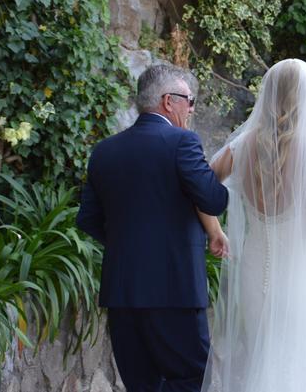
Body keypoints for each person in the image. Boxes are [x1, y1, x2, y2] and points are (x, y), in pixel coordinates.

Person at [199, 59, 306, 392]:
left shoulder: (242, 146)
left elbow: (201, 186)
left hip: (255, 273)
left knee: (265, 357)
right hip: (302, 277)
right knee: (302, 361)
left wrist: (214, 230)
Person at [77, 64, 229, 392]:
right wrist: (220, 172)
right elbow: (214, 200)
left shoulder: (104, 151)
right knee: (192, 378)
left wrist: (129, 245)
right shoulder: (182, 142)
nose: (192, 108)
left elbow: (88, 218)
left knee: (141, 385)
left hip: (122, 293)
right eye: (189, 101)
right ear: (167, 101)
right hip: (174, 291)